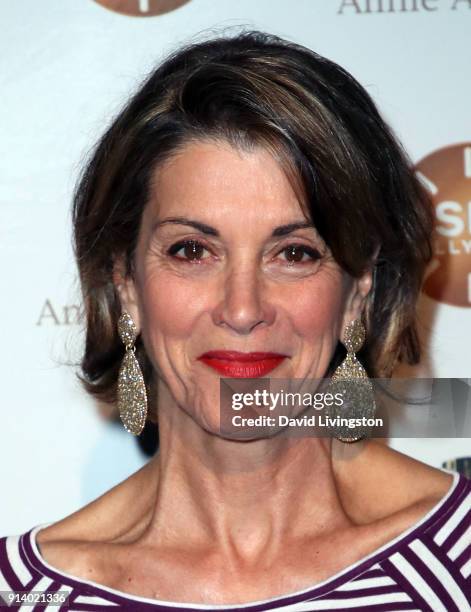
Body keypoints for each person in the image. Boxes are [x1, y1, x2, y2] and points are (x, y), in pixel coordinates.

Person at [1, 30, 470, 611]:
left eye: (295, 253)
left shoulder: (460, 567)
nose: (243, 309)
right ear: (124, 282)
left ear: (358, 291)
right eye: (192, 251)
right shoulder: (25, 594)